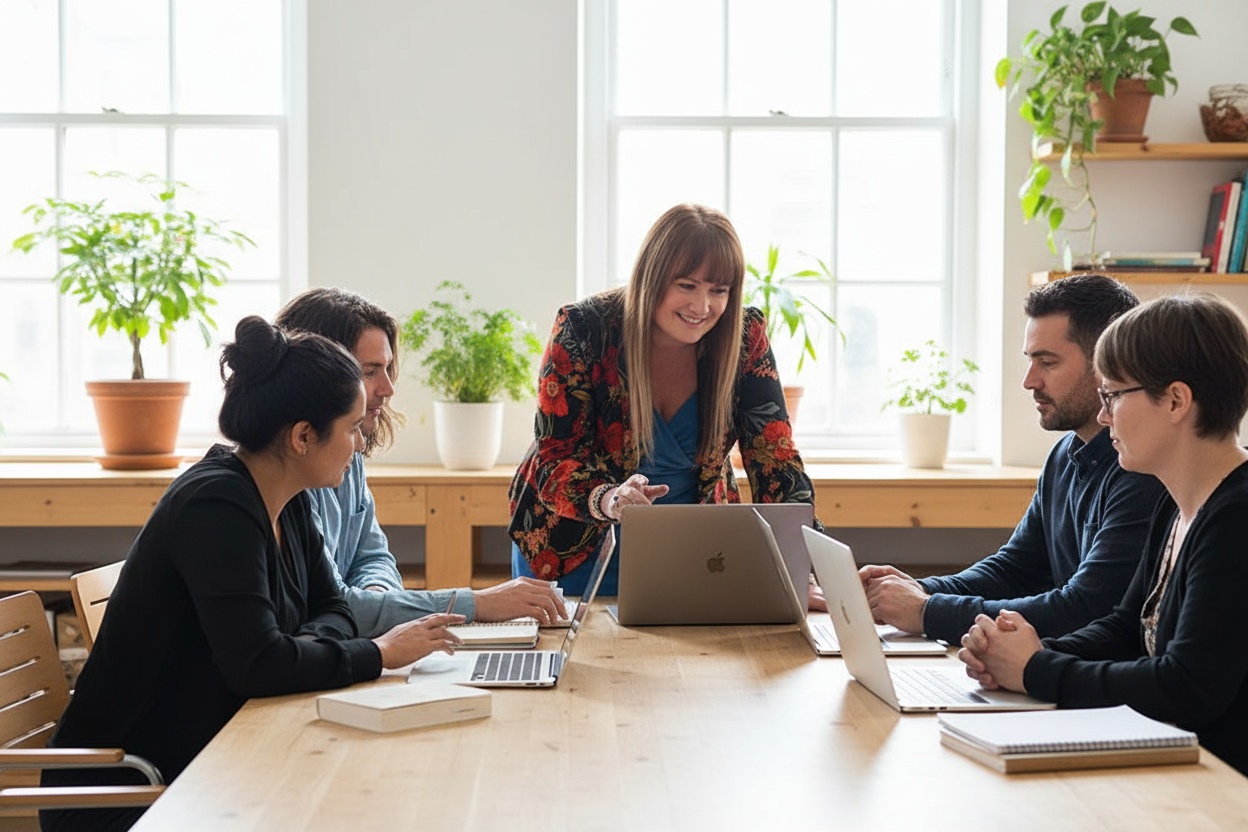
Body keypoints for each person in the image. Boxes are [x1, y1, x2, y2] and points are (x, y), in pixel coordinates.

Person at [41, 317, 466, 832]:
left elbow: (331, 609)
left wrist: (301, 645)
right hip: (130, 789)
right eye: (352, 428)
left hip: (214, 762)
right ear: (303, 437)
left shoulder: (288, 496)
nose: (359, 445)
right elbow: (260, 666)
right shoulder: (215, 506)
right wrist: (378, 653)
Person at [958, 293, 1248, 777]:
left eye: (1112, 395)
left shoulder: (1236, 518)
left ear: (1176, 400)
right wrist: (1022, 653)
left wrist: (1035, 669)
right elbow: (1125, 627)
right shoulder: (1175, 504)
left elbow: (1186, 687)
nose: (1103, 415)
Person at [508, 203, 820, 597]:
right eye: (687, 286)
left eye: (718, 290)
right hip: (577, 547)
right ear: (652, 277)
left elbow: (775, 460)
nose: (702, 307)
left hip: (695, 549)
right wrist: (610, 498)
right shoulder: (584, 328)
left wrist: (802, 569)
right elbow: (555, 459)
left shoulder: (744, 337)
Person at [859, 273, 1165, 643]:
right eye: (1030, 360)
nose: (1029, 381)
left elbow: (1085, 607)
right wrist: (916, 590)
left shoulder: (1143, 470)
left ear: (1106, 363)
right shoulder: (1065, 456)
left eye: (1047, 362)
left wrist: (927, 611)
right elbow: (1015, 569)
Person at [274, 288, 565, 636]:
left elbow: (373, 558)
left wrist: (378, 600)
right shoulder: (286, 477)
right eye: (370, 371)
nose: (388, 388)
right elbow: (330, 603)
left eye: (387, 368)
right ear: (317, 374)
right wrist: (478, 603)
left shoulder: (349, 455)